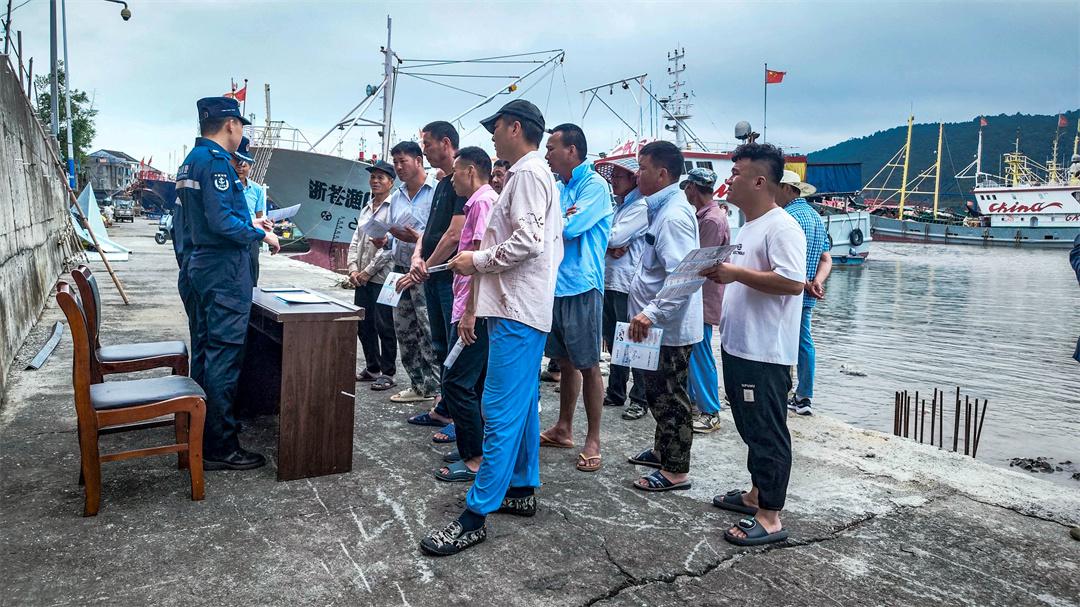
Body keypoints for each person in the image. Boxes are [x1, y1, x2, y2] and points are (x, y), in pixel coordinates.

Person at [421, 100, 562, 556]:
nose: (493, 136)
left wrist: (476, 260)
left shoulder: (527, 174)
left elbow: (528, 241)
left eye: (496, 127)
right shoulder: (531, 174)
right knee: (520, 410)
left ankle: (475, 515)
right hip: (521, 309)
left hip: (517, 310)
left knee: (498, 412)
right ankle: (520, 488)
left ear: (515, 128)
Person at [701, 142, 806, 547]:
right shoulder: (749, 227)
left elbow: (792, 282)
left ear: (760, 181)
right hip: (739, 345)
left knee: (766, 430)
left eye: (737, 173)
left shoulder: (782, 226)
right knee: (749, 425)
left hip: (765, 352)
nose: (729, 180)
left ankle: (770, 517)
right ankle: (756, 494)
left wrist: (734, 274)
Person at [178, 97, 279, 470]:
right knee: (224, 355)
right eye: (240, 126)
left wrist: (249, 224)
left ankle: (203, 433)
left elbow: (194, 221)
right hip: (223, 272)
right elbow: (222, 222)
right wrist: (260, 233)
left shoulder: (192, 161)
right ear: (231, 125)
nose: (240, 132)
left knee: (206, 352)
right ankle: (220, 445)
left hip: (201, 267)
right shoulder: (217, 162)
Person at [624, 141, 703, 493]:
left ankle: (675, 470)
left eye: (642, 168)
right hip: (655, 324)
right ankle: (662, 451)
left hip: (666, 327)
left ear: (662, 173)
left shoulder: (672, 216)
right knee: (658, 393)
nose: (637, 175)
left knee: (671, 397)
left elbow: (683, 277)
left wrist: (651, 313)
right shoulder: (662, 208)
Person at [538, 124, 613, 473]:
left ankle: (593, 438)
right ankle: (563, 428)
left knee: (588, 363)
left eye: (551, 147)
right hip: (556, 284)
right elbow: (549, 223)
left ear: (571, 150)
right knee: (564, 361)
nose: (547, 154)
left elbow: (568, 228)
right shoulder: (559, 187)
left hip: (582, 285)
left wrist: (554, 220)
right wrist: (555, 219)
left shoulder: (594, 186)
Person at [433, 147, 498, 483]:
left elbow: (481, 262)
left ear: (470, 171)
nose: (451, 179)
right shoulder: (478, 203)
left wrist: (471, 311)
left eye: (456, 172)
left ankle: (475, 457)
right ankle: (471, 446)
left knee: (456, 381)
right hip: (469, 304)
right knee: (470, 381)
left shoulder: (483, 203)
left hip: (475, 309)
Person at [402, 122, 467, 441]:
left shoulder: (462, 184)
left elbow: (455, 234)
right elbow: (428, 231)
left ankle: (460, 414)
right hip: (432, 274)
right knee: (439, 342)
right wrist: (418, 257)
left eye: (427, 143)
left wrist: (426, 266)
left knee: (456, 346)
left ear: (446, 143)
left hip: (449, 278)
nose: (424, 149)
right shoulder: (442, 184)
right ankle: (444, 406)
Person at [380, 141, 441, 405]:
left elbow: (441, 235)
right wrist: (385, 240)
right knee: (404, 329)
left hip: (425, 270)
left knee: (429, 330)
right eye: (395, 162)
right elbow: (393, 233)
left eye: (402, 161)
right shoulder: (396, 196)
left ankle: (437, 388)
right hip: (399, 268)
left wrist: (417, 238)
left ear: (418, 160)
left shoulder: (437, 191)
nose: (398, 167)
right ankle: (418, 384)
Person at [596, 158, 649, 420]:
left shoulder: (640, 207)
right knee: (615, 339)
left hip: (627, 282)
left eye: (619, 177)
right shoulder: (620, 207)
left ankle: (639, 398)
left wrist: (607, 242)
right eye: (613, 176)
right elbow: (611, 238)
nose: (614, 181)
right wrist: (609, 245)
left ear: (632, 180)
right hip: (611, 279)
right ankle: (616, 391)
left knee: (633, 339)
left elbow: (614, 236)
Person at [776, 170, 830, 416]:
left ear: (787, 189)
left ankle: (798, 394)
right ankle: (802, 394)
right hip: (807, 294)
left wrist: (806, 282)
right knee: (803, 342)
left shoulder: (788, 217)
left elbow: (789, 263)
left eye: (776, 188)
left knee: (785, 341)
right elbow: (826, 258)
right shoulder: (815, 216)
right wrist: (817, 281)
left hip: (789, 292)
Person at [681, 168, 730, 433]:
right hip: (702, 293)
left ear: (692, 188)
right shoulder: (709, 215)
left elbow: (700, 261)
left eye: (687, 188)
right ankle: (695, 403)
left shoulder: (710, 220)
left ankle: (710, 411)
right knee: (694, 352)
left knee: (700, 353)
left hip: (703, 295)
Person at [347, 160, 398, 390]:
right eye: (373, 177)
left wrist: (367, 272)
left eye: (380, 177)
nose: (375, 181)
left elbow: (389, 249)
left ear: (391, 182)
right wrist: (352, 268)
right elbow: (355, 239)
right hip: (362, 277)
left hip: (384, 277)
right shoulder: (367, 208)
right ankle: (372, 367)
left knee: (385, 325)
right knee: (364, 324)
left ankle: (388, 372)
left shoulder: (394, 208)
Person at [232, 137, 267, 285]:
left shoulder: (257, 190)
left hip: (251, 234)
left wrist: (265, 227)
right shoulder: (228, 186)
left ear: (250, 167)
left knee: (252, 267)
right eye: (238, 164)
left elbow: (260, 216)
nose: (240, 168)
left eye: (244, 165)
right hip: (234, 232)